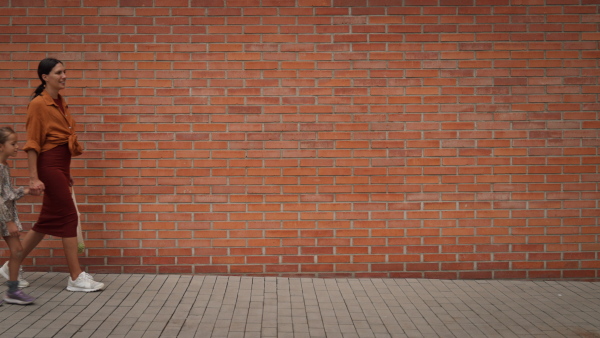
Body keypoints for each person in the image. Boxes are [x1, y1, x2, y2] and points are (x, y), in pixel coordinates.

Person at [0, 58, 104, 292]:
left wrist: (65, 173)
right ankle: (76, 277)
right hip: (48, 165)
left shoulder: (60, 102)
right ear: (45, 77)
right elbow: (33, 143)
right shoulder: (38, 104)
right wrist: (34, 178)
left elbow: (62, 142)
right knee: (69, 216)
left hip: (60, 165)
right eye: (59, 72)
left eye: (65, 71)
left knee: (45, 222)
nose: (64, 76)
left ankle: (10, 266)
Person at [0, 127, 36, 305]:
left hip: (4, 216)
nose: (17, 147)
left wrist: (27, 190)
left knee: (18, 250)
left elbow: (6, 194)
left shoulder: (4, 165)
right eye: (13, 144)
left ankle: (12, 291)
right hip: (4, 217)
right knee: (17, 250)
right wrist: (9, 221)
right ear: (0, 146)